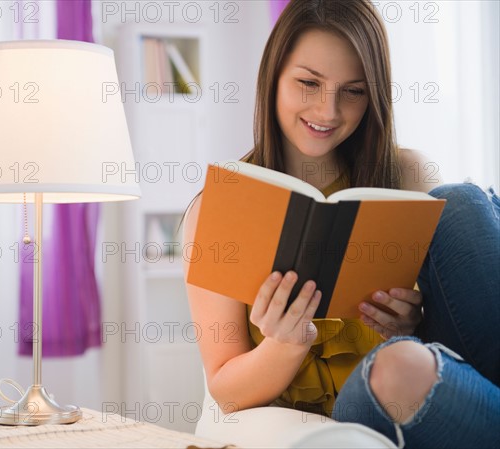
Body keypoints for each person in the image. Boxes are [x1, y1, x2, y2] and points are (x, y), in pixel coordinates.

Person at [182, 1, 500, 448]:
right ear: (272, 78)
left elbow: (467, 330)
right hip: (364, 403)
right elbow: (225, 390)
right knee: (398, 366)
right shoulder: (220, 207)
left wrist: (415, 323)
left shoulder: (408, 175)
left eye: (353, 91)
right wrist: (284, 344)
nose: (328, 111)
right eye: (308, 82)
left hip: (446, 378)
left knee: (462, 201)